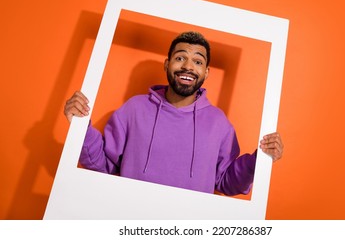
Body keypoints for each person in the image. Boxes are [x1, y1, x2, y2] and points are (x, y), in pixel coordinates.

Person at [64, 31, 283, 196]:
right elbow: (102, 165)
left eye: (198, 61)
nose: (188, 66)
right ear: (167, 64)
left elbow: (226, 182)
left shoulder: (219, 123)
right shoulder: (134, 109)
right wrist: (80, 126)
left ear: (206, 72)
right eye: (180, 58)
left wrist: (260, 161)